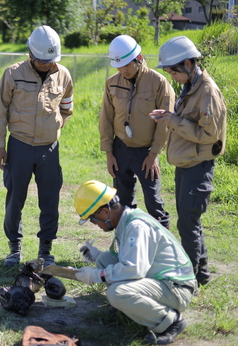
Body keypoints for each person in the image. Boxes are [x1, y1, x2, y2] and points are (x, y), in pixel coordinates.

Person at [74, 180, 197, 345]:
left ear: (104, 212)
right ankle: (132, 307)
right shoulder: (127, 221)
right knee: (104, 260)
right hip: (163, 281)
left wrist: (96, 275)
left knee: (116, 293)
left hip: (177, 289)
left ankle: (171, 322)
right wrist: (97, 257)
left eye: (92, 219)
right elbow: (129, 259)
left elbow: (134, 269)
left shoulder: (136, 227)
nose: (95, 224)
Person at [0, 25, 74, 267]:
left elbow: (67, 107)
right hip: (20, 145)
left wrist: (56, 126)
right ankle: (14, 248)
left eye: (50, 61)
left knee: (50, 199)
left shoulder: (64, 75)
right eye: (41, 61)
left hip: (49, 148)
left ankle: (45, 248)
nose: (46, 65)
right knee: (15, 196)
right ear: (30, 53)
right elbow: (0, 111)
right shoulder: (12, 74)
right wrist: (0, 145)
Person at [149, 36, 227, 286]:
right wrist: (170, 116)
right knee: (188, 221)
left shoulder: (207, 91)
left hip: (198, 167)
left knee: (187, 223)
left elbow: (209, 135)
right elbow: (187, 121)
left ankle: (189, 280)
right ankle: (201, 275)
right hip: (186, 165)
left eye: (173, 70)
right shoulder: (190, 85)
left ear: (187, 63)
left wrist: (173, 121)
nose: (171, 75)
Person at [99, 35, 173, 229]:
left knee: (153, 201)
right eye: (119, 66)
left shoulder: (159, 83)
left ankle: (164, 248)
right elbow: (105, 119)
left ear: (138, 59)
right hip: (120, 150)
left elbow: (164, 123)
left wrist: (154, 154)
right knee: (122, 204)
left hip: (146, 152)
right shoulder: (111, 83)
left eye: (127, 66)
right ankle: (126, 245)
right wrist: (109, 153)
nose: (123, 70)